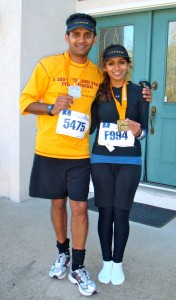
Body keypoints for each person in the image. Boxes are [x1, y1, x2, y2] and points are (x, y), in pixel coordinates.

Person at [19, 13, 152, 297]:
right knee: (57, 204)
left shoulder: (97, 74)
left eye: (87, 35)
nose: (81, 39)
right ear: (67, 37)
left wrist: (144, 95)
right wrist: (51, 107)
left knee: (79, 208)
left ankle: (78, 264)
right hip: (49, 150)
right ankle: (62, 253)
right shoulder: (48, 65)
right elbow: (26, 102)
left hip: (80, 154)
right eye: (76, 34)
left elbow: (119, 97)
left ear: (93, 39)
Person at [90, 44, 149, 286]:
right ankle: (106, 262)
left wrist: (139, 131)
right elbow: (92, 126)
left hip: (129, 160)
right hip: (101, 159)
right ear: (105, 67)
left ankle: (118, 263)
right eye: (111, 63)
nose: (117, 67)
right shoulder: (96, 92)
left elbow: (143, 130)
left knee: (121, 211)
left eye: (121, 62)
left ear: (128, 65)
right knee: (105, 210)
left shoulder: (140, 92)